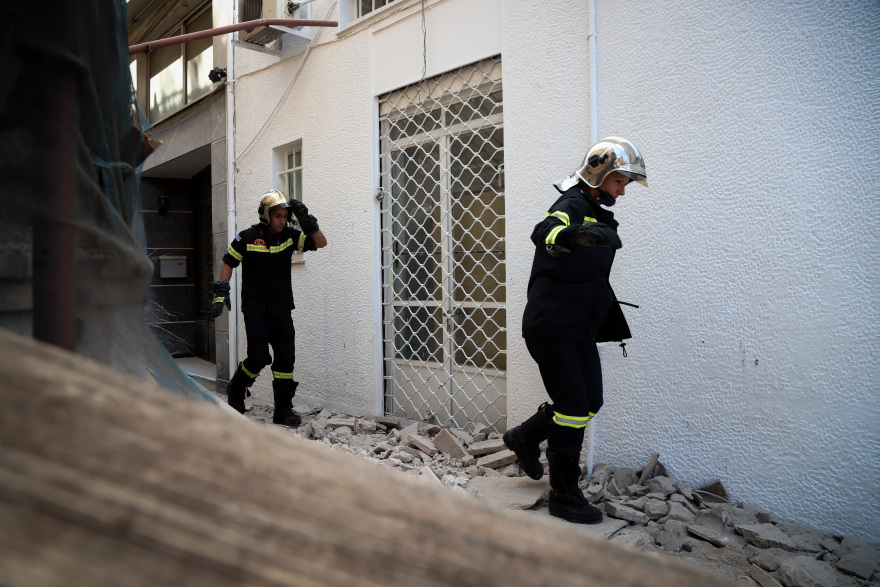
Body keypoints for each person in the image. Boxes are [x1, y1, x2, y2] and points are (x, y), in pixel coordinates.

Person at [503, 137, 647, 524]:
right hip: (552, 325)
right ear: (599, 174)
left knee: (590, 402)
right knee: (571, 409)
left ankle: (524, 437)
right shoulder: (572, 204)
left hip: (578, 326)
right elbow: (544, 231)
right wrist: (568, 236)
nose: (622, 190)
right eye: (620, 181)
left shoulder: (595, 212)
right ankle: (563, 495)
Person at [211, 189, 327, 426]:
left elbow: (320, 243)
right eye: (277, 216)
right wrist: (221, 291)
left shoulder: (291, 236)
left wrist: (306, 220)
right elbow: (229, 262)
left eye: (285, 216)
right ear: (266, 215)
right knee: (259, 357)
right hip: (255, 308)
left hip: (281, 308)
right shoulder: (247, 237)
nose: (282, 221)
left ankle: (282, 411)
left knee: (285, 358)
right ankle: (236, 387)